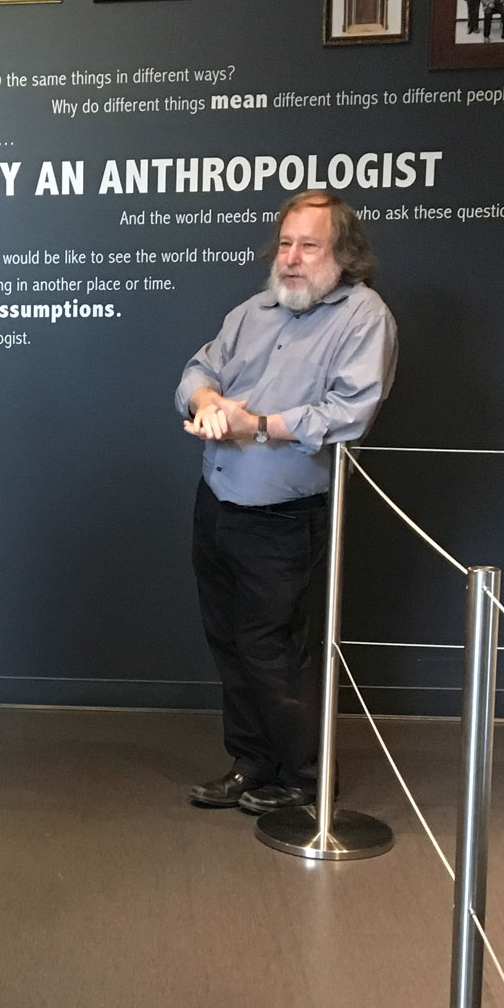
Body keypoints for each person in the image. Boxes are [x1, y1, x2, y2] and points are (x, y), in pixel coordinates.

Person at [177, 191, 398, 815]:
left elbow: (350, 412)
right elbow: (197, 368)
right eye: (286, 243)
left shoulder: (364, 316)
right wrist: (206, 403)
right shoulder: (251, 311)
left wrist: (260, 424)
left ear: (343, 255)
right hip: (217, 501)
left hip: (282, 514)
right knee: (228, 640)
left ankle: (302, 780)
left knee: (274, 650)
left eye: (310, 245)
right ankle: (249, 764)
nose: (293, 258)